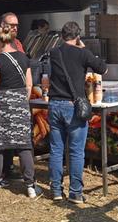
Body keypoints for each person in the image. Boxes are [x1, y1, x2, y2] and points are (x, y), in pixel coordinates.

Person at [45, 21, 107, 204]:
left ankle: (56, 190)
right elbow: (103, 68)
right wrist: (84, 48)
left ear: (62, 36)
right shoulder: (83, 53)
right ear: (78, 36)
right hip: (73, 107)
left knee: (56, 150)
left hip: (55, 104)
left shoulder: (53, 52)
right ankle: (75, 193)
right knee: (76, 151)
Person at [0, 24, 40, 199]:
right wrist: (22, 99)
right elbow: (29, 84)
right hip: (20, 105)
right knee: (24, 145)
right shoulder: (24, 58)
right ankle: (30, 186)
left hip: (1, 106)